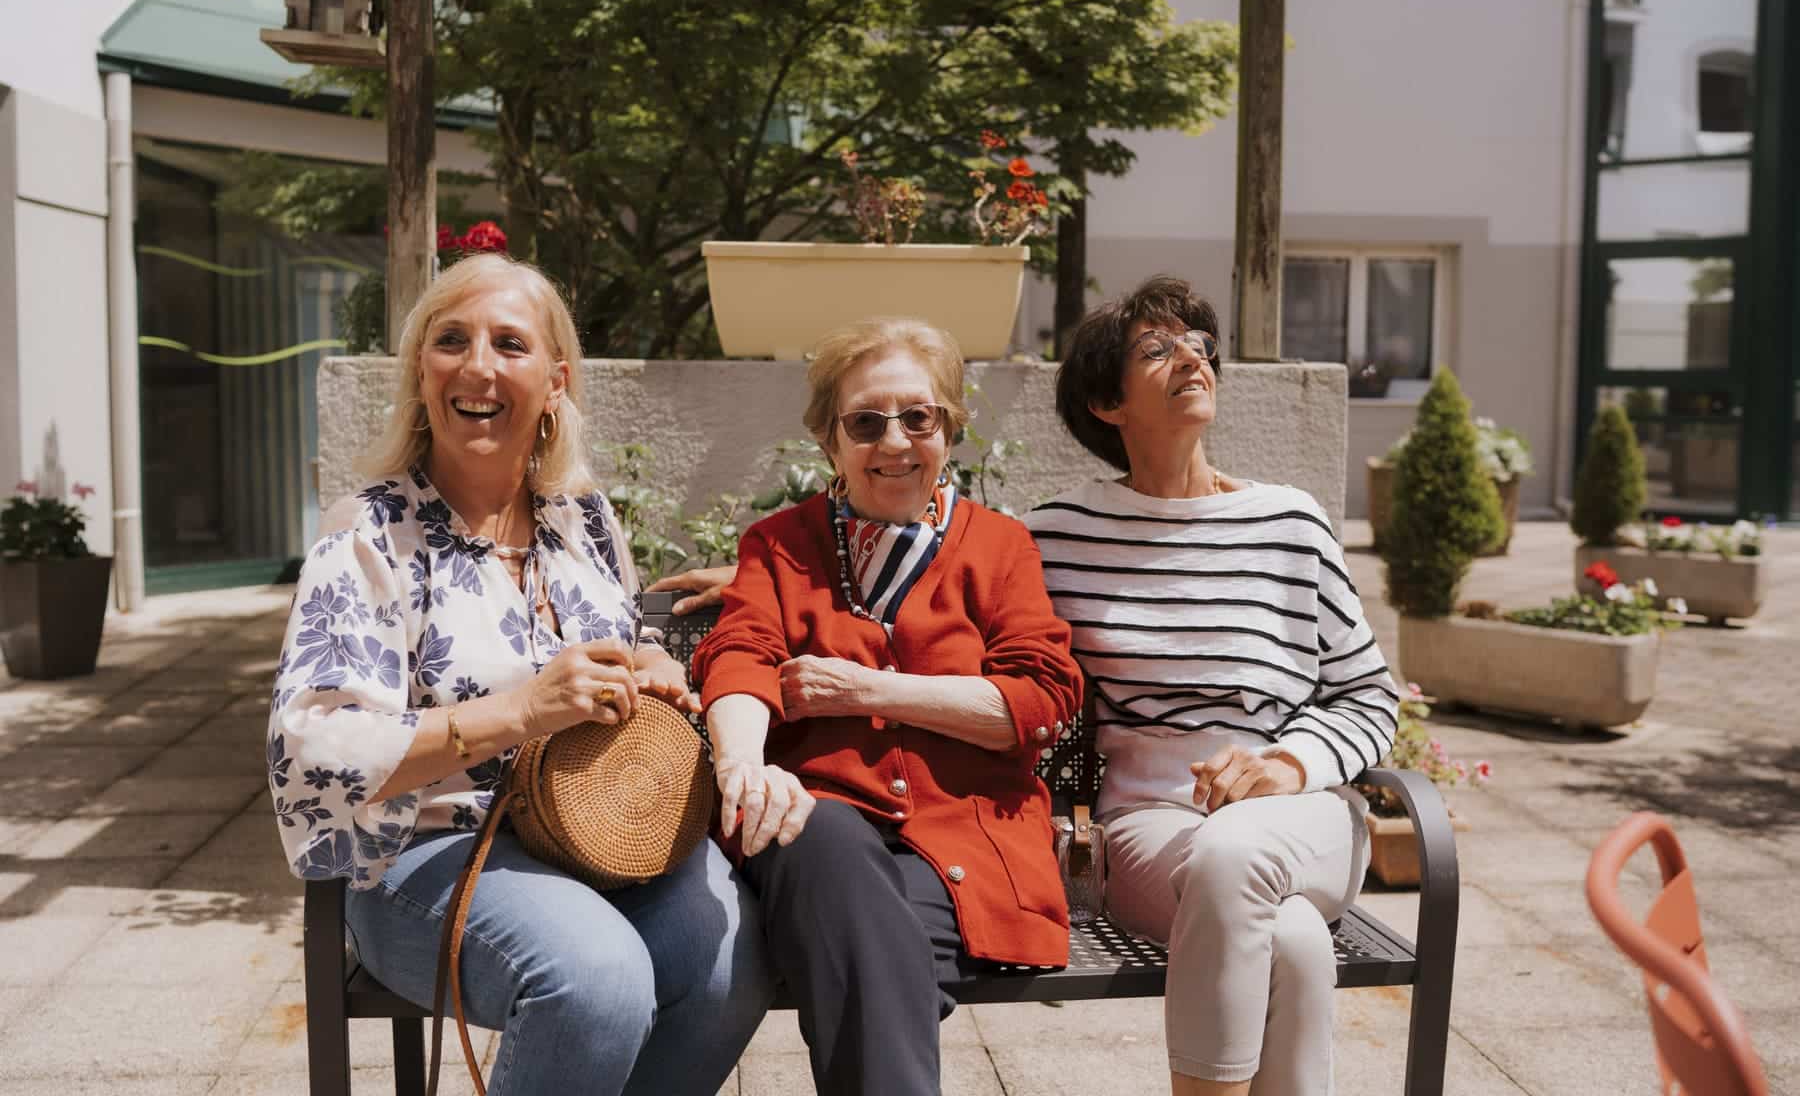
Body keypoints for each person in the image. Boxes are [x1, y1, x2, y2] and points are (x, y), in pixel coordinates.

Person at [265, 253, 769, 1096]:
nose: (479, 367)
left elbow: (614, 644)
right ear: (422, 371)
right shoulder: (369, 535)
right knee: (597, 981)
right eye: (452, 341)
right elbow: (313, 751)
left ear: (556, 380)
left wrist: (644, 668)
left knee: (730, 954)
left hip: (596, 835)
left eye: (509, 344)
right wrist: (523, 710)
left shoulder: (586, 520)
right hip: (425, 853)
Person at [685, 316, 1083, 1096]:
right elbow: (740, 655)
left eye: (917, 417)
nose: (894, 441)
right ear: (829, 442)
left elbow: (1040, 700)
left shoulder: (1000, 547)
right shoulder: (779, 545)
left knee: (862, 946)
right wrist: (742, 764)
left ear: (949, 428)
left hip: (966, 851)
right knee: (818, 830)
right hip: (811, 836)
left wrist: (867, 689)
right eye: (865, 422)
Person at [1023, 276, 1398, 1096]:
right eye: (1156, 350)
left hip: (1303, 814)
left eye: (1197, 343)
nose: (1192, 357)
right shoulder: (1060, 532)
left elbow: (1370, 694)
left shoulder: (1290, 522)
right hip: (1148, 825)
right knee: (1294, 942)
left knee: (1238, 849)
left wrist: (1288, 765)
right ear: (1106, 405)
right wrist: (772, 576)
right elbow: (940, 588)